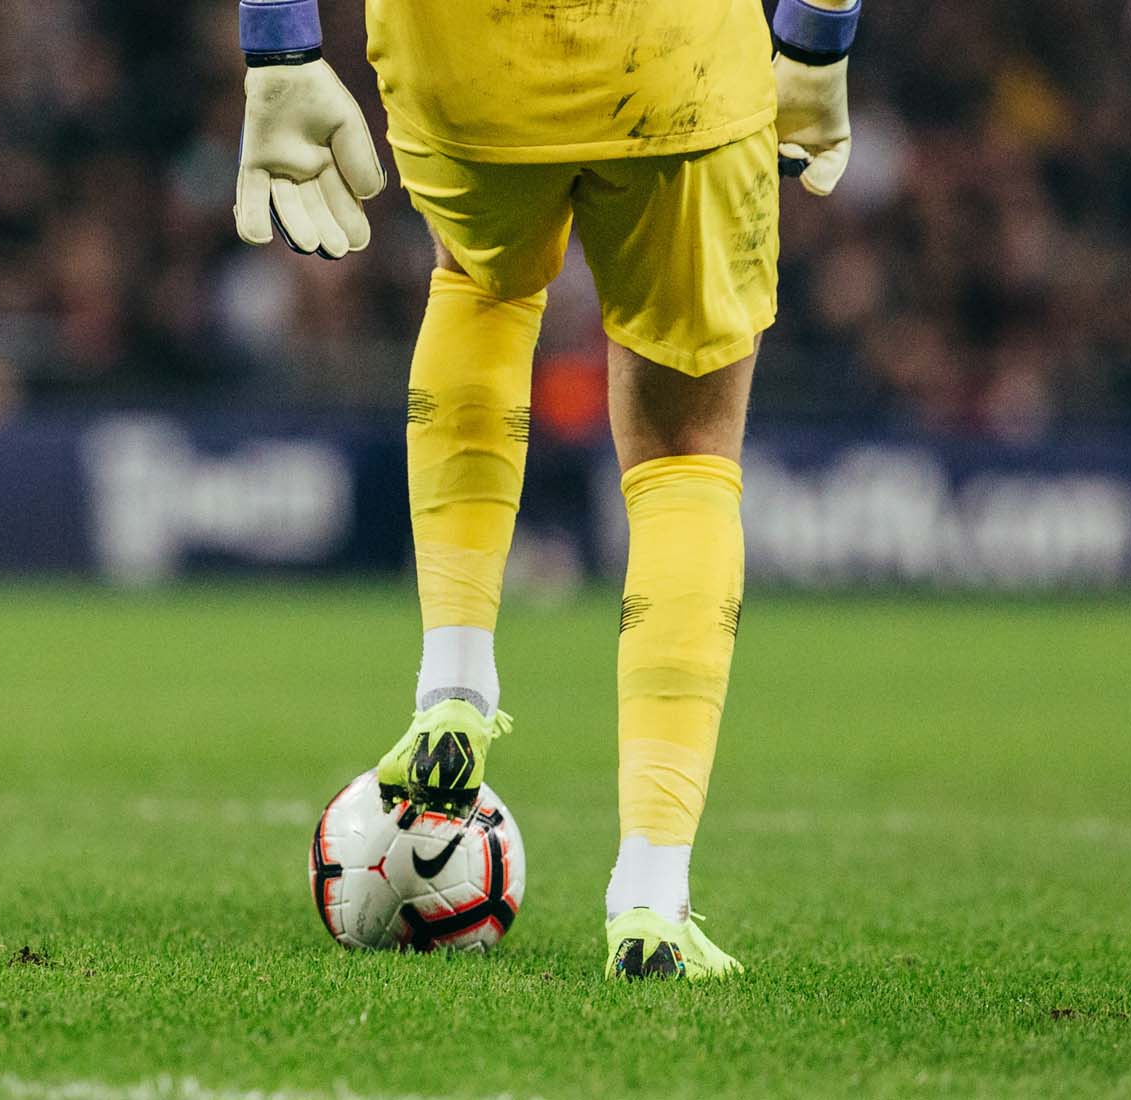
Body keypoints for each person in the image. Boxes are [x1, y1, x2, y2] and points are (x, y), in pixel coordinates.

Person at [232, 0, 858, 978]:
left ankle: (453, 684)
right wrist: (818, 39)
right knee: (685, 452)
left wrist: (279, 45)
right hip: (676, 55)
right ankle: (650, 894)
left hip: (462, 54)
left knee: (479, 286)